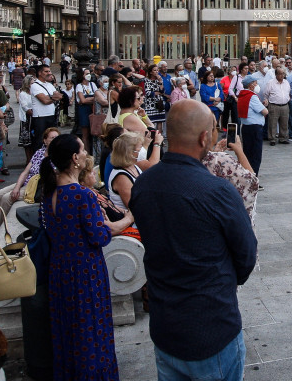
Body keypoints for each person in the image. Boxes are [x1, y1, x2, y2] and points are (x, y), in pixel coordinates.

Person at [130, 100, 257, 381]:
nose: (216, 134)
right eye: (214, 129)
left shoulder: (144, 184)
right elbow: (246, 257)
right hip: (212, 326)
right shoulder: (217, 191)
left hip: (165, 325)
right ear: (204, 137)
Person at [38, 134, 121, 381]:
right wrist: (113, 225)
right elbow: (98, 237)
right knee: (91, 329)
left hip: (60, 268)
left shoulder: (50, 192)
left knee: (68, 330)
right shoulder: (82, 194)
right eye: (83, 150)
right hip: (85, 271)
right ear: (75, 159)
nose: (85, 153)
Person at [202, 130, 259, 225]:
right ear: (205, 135)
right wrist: (239, 151)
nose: (216, 132)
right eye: (215, 128)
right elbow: (251, 182)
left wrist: (214, 153)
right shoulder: (220, 159)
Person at [237, 73, 268, 175]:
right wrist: (264, 107)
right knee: (255, 154)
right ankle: (254, 177)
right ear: (251, 85)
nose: (257, 85)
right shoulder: (252, 96)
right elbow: (265, 112)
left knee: (248, 153)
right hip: (255, 128)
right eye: (256, 83)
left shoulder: (242, 95)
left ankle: (247, 174)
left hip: (246, 126)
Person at [31, 65, 63, 154]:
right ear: (40, 73)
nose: (49, 73)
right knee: (40, 141)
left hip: (51, 115)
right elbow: (44, 100)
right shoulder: (35, 86)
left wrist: (50, 97)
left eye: (49, 71)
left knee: (53, 139)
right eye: (46, 71)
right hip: (40, 116)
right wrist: (52, 98)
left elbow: (59, 96)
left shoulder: (49, 85)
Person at [107, 132, 143, 212]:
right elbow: (134, 206)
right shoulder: (121, 177)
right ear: (129, 153)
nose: (140, 153)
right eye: (138, 150)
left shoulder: (134, 166)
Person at [262, 66, 291, 146]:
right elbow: (266, 94)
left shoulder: (286, 82)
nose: (282, 75)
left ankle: (283, 138)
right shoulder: (271, 83)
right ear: (276, 74)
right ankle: (272, 139)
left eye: (283, 74)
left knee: (284, 123)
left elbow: (288, 92)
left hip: (285, 105)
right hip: (274, 105)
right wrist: (266, 101)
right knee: (272, 123)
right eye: (280, 74)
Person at [74, 69, 98, 152]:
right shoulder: (79, 86)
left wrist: (87, 99)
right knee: (85, 133)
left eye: (89, 73)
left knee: (94, 131)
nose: (89, 75)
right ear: (82, 75)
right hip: (84, 111)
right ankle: (87, 152)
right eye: (87, 73)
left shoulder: (93, 84)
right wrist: (92, 99)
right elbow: (82, 100)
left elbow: (97, 97)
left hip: (93, 109)